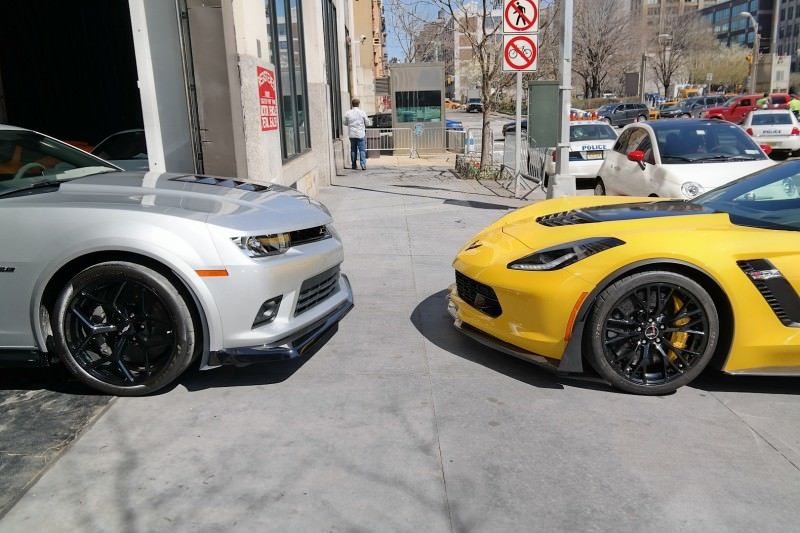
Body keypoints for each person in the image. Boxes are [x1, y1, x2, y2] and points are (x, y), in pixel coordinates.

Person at [344, 98, 371, 170]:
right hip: (360, 133)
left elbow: (345, 123)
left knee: (353, 149)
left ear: (352, 104)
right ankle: (363, 165)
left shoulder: (348, 113)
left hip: (352, 134)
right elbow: (367, 123)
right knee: (362, 150)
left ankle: (353, 165)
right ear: (358, 104)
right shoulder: (362, 112)